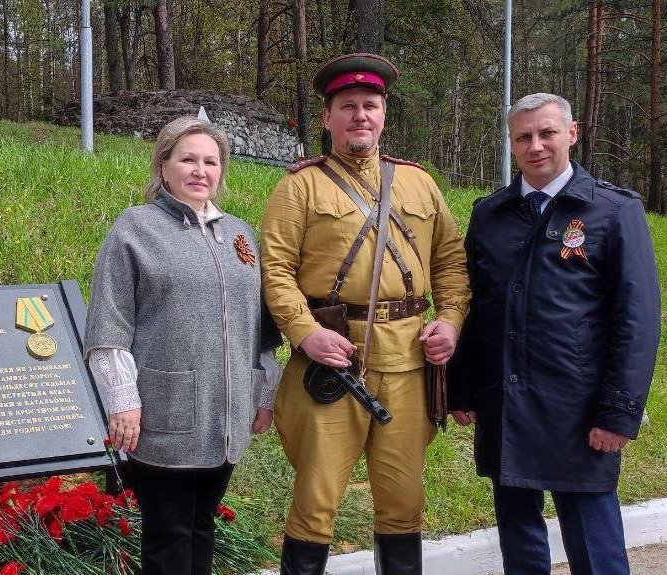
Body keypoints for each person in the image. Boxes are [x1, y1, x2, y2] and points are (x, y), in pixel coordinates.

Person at [260, 53, 469, 574]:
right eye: (347, 106)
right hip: (331, 362)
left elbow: (451, 265)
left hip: (409, 363)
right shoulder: (300, 187)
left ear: (383, 115)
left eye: (370, 105)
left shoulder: (420, 184)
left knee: (403, 503)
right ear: (328, 118)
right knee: (315, 501)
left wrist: (451, 322)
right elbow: (275, 271)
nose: (360, 115)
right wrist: (305, 333)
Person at [447, 93, 660, 575]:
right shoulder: (490, 215)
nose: (536, 146)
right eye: (523, 136)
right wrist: (461, 387)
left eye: (547, 133)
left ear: (573, 133)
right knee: (519, 542)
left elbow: (638, 321)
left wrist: (619, 413)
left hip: (580, 410)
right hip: (507, 402)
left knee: (595, 549)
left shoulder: (613, 211)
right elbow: (475, 307)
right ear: (511, 143)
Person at [84, 116, 282, 575]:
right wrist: (123, 402)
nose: (200, 170)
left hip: (225, 418)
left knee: (201, 528)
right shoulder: (134, 229)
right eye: (188, 159)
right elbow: (110, 323)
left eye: (210, 162)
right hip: (163, 415)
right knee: (169, 537)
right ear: (164, 165)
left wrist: (262, 394)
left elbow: (259, 327)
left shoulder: (239, 234)